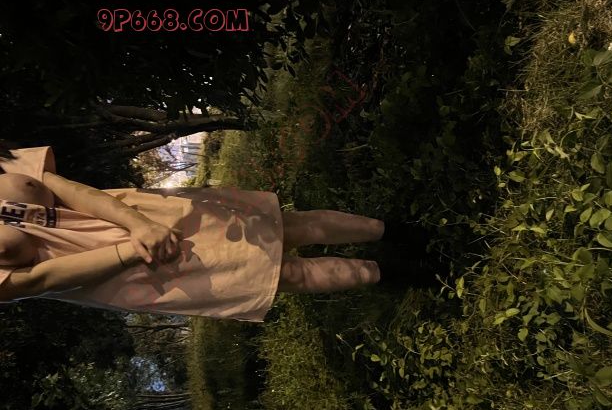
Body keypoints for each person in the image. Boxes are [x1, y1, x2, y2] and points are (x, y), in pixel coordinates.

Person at [0, 145, 437, 322]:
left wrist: (139, 224)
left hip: (142, 215)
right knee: (283, 275)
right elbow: (38, 280)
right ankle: (407, 273)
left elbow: (64, 187)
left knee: (285, 226)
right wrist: (131, 250)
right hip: (132, 269)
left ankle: (399, 232)